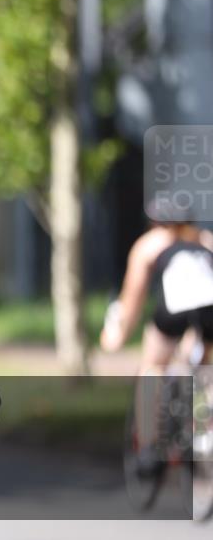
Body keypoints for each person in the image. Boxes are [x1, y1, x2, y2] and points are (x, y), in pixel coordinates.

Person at [100, 202, 213, 473]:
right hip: (209, 309)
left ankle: (149, 445)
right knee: (204, 370)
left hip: (173, 310)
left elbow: (133, 297)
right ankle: (203, 428)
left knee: (152, 368)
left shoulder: (150, 244)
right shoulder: (205, 239)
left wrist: (117, 336)